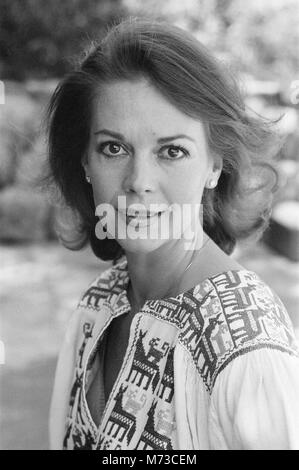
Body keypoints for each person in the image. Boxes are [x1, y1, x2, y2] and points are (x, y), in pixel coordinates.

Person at [45, 17, 299, 450]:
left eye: (172, 151)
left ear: (214, 166)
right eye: (114, 147)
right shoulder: (98, 304)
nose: (139, 181)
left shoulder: (248, 346)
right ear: (85, 162)